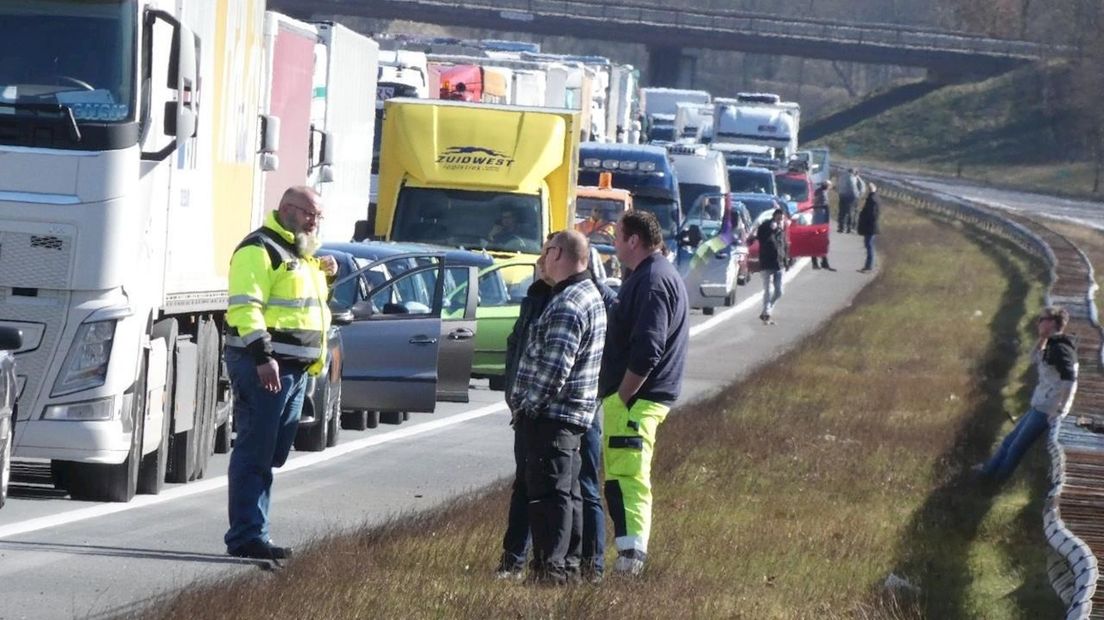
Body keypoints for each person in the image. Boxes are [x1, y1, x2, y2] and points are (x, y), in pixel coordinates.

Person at [223, 186, 336, 561]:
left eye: (318, 216)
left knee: (273, 452)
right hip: (267, 366)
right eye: (309, 214)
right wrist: (262, 355)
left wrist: (327, 277)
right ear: (287, 209)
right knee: (255, 450)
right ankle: (246, 536)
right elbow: (246, 308)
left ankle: (254, 531)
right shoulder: (259, 249)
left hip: (295, 369)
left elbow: (305, 310)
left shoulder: (301, 255)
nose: (315, 222)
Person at [507, 230, 607, 584]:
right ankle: (566, 567)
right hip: (571, 416)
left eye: (547, 251)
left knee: (549, 498)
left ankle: (551, 570)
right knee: (568, 495)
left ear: (559, 254)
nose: (542, 259)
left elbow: (554, 370)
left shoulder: (568, 303)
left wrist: (527, 407)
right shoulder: (586, 294)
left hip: (553, 417)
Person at [599, 211, 689, 576]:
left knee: (628, 478)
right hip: (639, 398)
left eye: (618, 237)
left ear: (633, 240)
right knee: (619, 478)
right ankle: (627, 553)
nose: (614, 243)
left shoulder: (652, 280)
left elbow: (648, 349)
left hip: (637, 399)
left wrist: (622, 395)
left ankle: (631, 558)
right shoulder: (651, 274)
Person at [496, 251, 555, 580]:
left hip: (556, 411)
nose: (542, 261)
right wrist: (513, 395)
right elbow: (515, 345)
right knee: (524, 484)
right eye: (543, 254)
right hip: (525, 409)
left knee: (561, 489)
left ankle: (559, 563)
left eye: (550, 254)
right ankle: (513, 559)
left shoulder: (576, 296)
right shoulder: (534, 298)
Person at [975, 306, 1078, 483]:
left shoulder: (1061, 349)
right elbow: (1032, 358)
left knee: (1015, 447)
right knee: (1009, 441)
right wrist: (1042, 339)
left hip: (1047, 409)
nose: (1038, 323)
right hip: (1040, 404)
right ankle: (987, 471)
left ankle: (992, 482)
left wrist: (1060, 409)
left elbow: (1070, 378)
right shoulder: (1052, 344)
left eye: (1041, 320)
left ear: (1052, 322)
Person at [757, 208, 788, 325]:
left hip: (779, 264)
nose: (780, 220)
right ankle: (766, 313)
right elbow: (760, 237)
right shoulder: (766, 228)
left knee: (779, 291)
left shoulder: (781, 230)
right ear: (774, 217)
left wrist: (786, 260)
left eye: (782, 219)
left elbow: (784, 245)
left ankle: (767, 310)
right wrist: (769, 228)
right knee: (768, 290)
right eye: (778, 218)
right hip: (766, 263)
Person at [856, 183, 880, 273]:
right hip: (872, 226)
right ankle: (868, 266)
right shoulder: (876, 198)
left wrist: (863, 218)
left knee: (869, 245)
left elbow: (871, 214)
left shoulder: (872, 199)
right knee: (868, 245)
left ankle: (868, 266)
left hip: (870, 226)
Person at [810, 181, 833, 271]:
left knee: (819, 242)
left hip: (817, 221)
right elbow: (825, 208)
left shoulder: (818, 193)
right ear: (827, 187)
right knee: (821, 242)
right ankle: (820, 262)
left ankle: (821, 261)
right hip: (820, 223)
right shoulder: (823, 195)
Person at [836, 168, 865, 233]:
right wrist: (858, 177)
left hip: (842, 196)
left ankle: (841, 227)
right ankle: (849, 228)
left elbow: (837, 186)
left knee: (842, 212)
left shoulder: (841, 177)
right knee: (850, 213)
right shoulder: (854, 178)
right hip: (852, 197)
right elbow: (863, 187)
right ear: (854, 172)